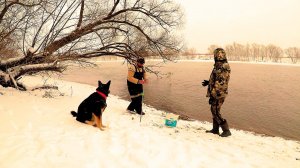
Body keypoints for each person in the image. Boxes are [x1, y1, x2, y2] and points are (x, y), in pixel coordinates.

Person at [202, 48, 231, 137]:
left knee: (215, 111)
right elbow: (217, 79)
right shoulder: (218, 65)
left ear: (218, 56)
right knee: (214, 110)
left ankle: (226, 130)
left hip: (219, 93)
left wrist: (213, 95)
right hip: (217, 92)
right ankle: (215, 129)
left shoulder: (223, 66)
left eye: (215, 55)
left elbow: (221, 83)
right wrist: (209, 82)